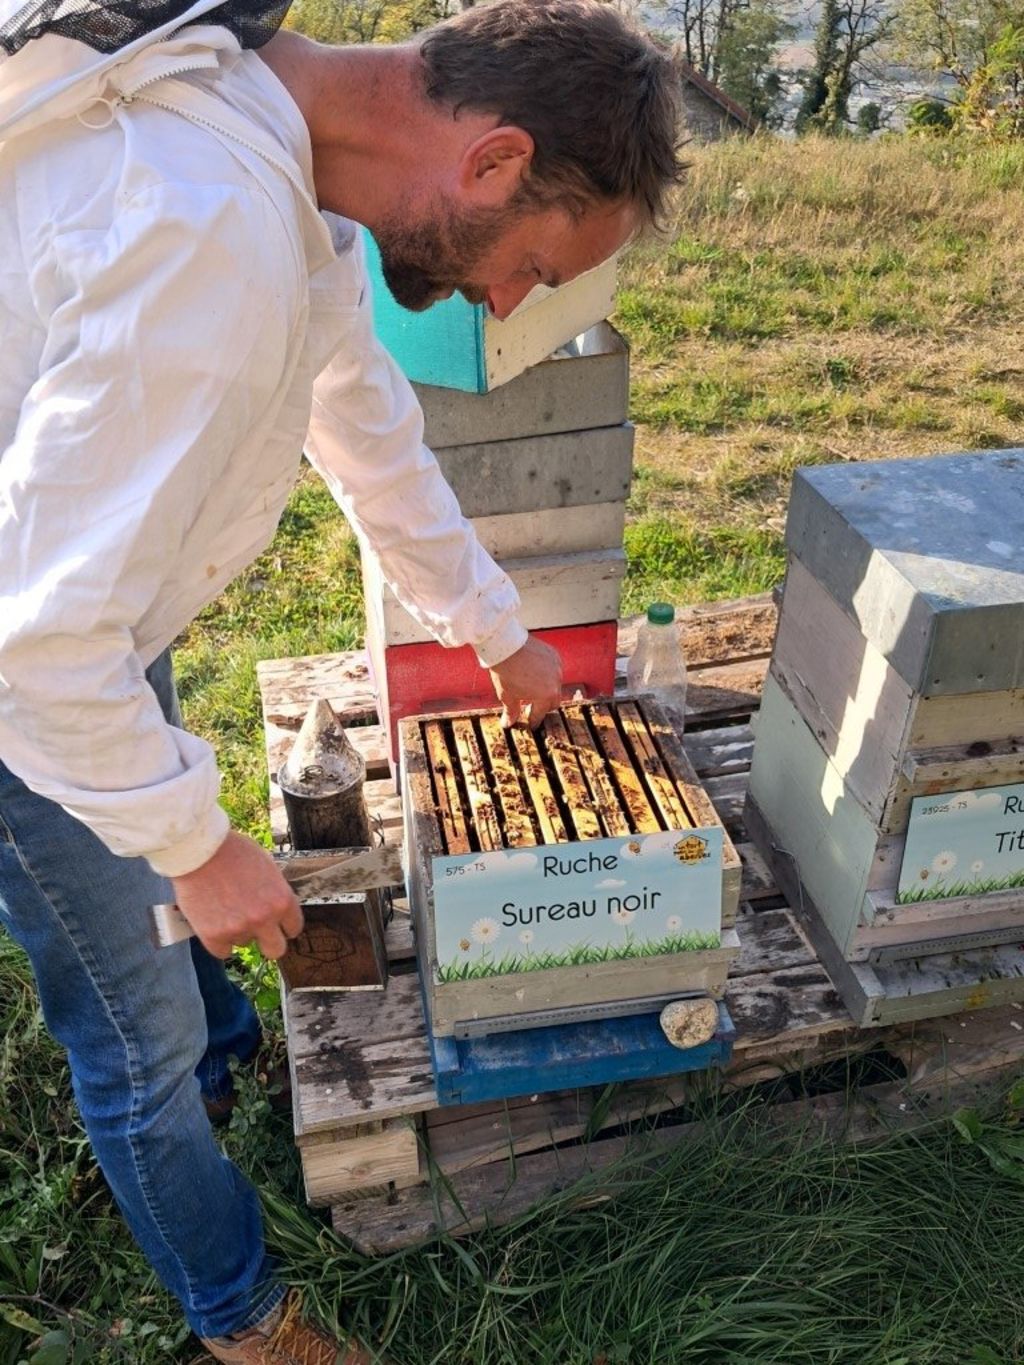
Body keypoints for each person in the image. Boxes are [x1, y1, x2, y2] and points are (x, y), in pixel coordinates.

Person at [0, 0, 684, 1359]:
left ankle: (222, 1057)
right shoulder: (209, 227)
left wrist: (494, 630)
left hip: (86, 608)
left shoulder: (267, 157)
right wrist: (195, 847)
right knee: (124, 1034)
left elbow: (364, 427)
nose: (505, 306)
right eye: (534, 267)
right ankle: (244, 1318)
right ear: (489, 161)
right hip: (30, 669)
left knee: (170, 936)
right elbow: (34, 651)